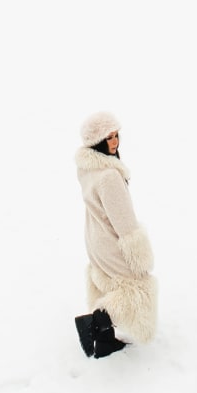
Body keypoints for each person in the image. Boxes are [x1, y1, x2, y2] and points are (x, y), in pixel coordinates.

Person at [74, 112, 157, 359]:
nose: (114, 142)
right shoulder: (109, 176)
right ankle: (94, 321)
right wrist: (140, 256)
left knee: (108, 281)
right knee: (136, 289)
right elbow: (124, 222)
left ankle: (105, 340)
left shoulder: (87, 168)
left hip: (94, 238)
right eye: (108, 137)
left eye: (115, 135)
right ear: (96, 141)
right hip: (111, 242)